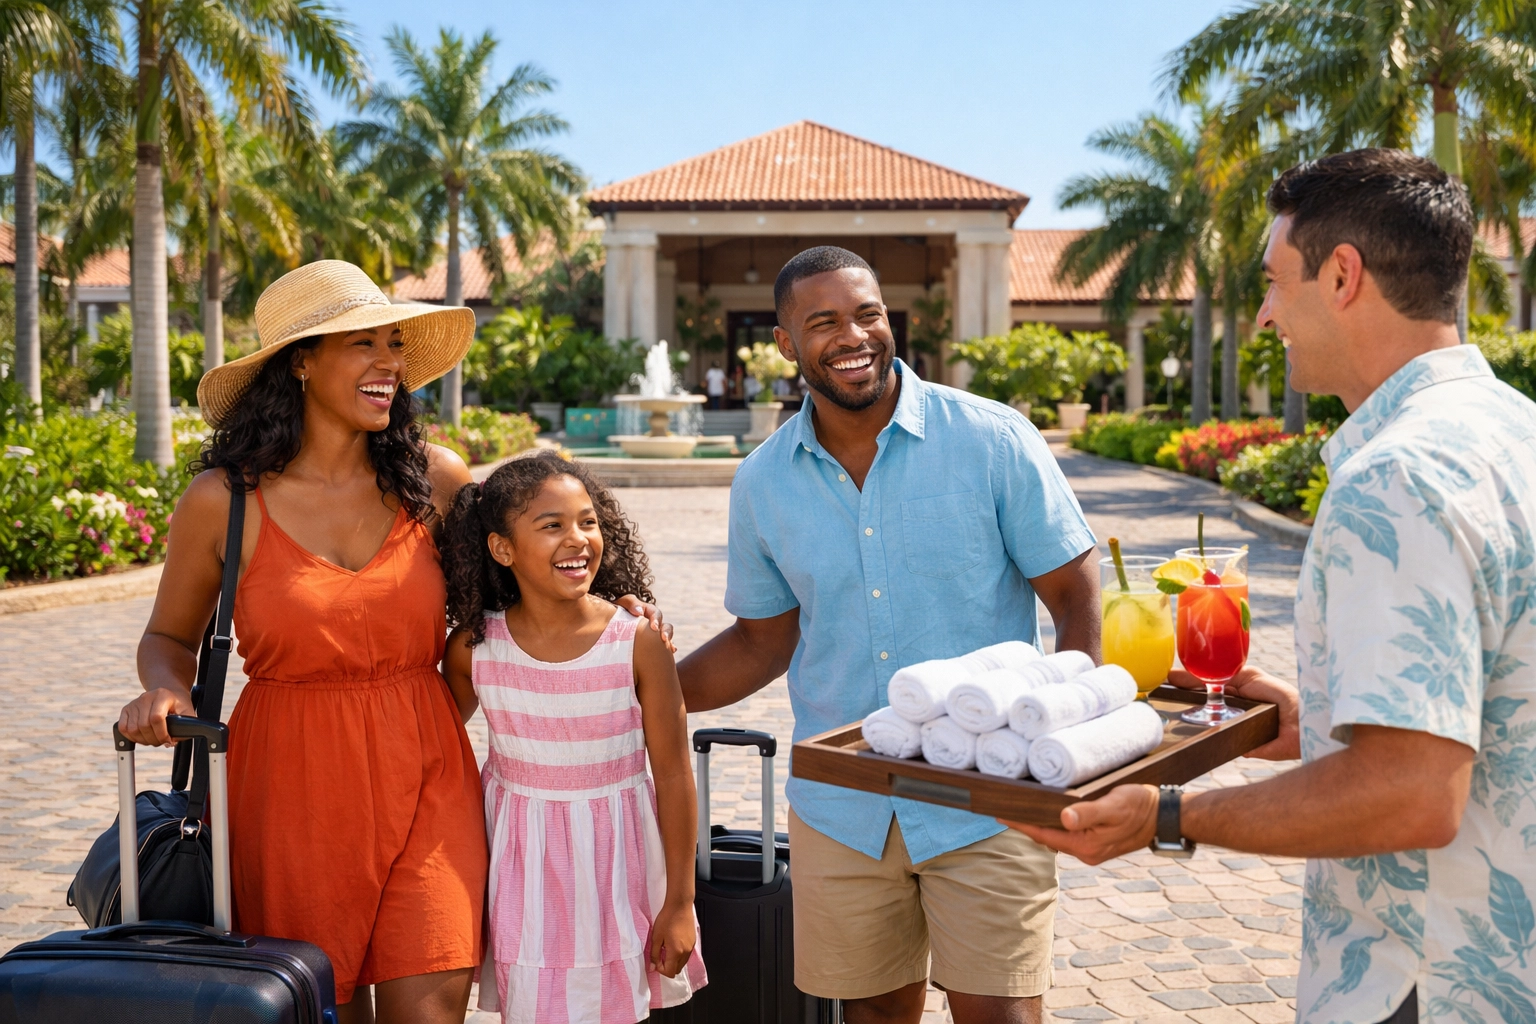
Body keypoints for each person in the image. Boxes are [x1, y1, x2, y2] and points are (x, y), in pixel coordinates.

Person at [1010, 149, 1536, 1024]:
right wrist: (1327, 722)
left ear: (1341, 275)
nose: (1262, 313)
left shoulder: (1396, 477)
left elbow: (1411, 791)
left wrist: (1168, 817)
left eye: (1274, 282)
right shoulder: (1514, 429)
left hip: (1423, 978)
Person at [677, 246, 1101, 1024]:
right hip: (843, 807)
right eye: (825, 321)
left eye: (868, 313)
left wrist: (1073, 749)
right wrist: (637, 685)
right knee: (871, 1018)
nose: (854, 336)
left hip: (990, 794)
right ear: (785, 343)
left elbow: (1074, 595)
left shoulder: (991, 439)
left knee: (1001, 1015)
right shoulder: (763, 481)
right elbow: (760, 644)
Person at [117, 261, 487, 1022]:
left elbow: (514, 597)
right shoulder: (224, 499)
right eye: (364, 344)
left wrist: (617, 612)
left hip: (429, 768)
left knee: (433, 1005)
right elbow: (168, 635)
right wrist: (166, 687)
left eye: (395, 344)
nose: (389, 363)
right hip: (290, 785)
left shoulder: (436, 480)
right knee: (323, 1009)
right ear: (302, 360)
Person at [438, 451, 706, 1023]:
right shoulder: (473, 648)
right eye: (552, 525)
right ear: (501, 548)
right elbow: (429, 735)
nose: (578, 538)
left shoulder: (637, 642)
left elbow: (675, 774)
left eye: (588, 521)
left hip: (618, 870)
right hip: (522, 871)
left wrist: (680, 902)